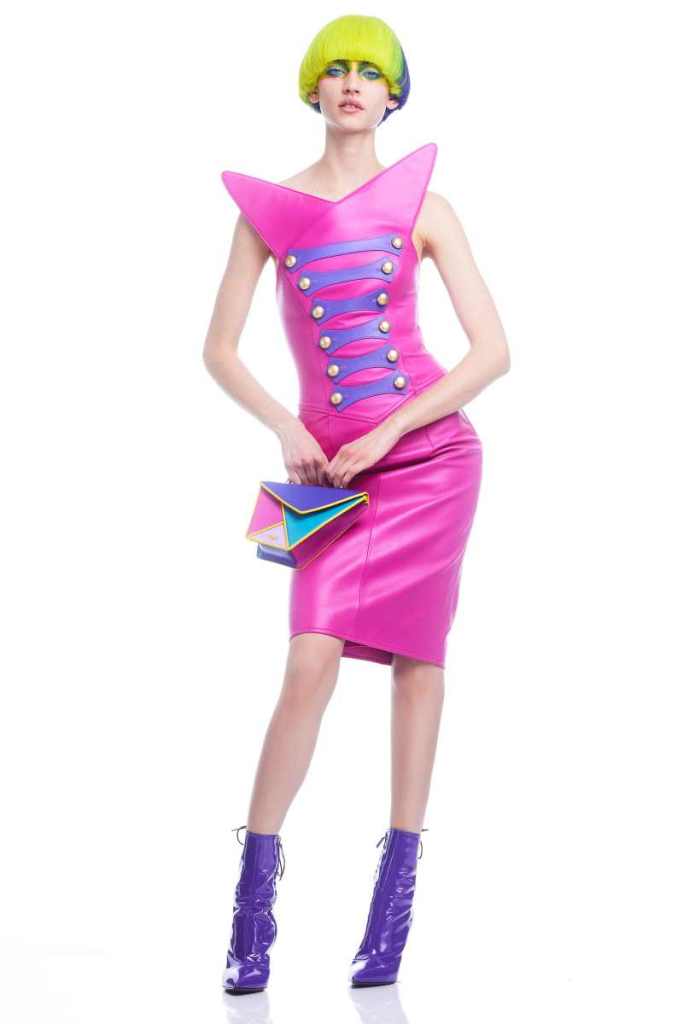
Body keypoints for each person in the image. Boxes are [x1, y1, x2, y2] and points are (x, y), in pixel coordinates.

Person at [203, 13, 510, 995]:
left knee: (418, 668)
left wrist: (390, 432)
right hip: (321, 471)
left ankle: (393, 907)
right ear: (312, 89)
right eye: (333, 69)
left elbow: (492, 353)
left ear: (391, 95)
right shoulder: (267, 210)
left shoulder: (427, 205)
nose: (349, 84)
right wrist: (283, 425)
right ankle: (252, 896)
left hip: (430, 459)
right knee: (308, 659)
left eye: (368, 73)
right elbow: (217, 350)